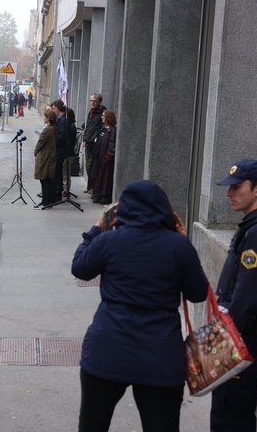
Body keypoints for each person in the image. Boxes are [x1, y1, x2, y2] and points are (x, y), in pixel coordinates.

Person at [72, 180, 208, 432]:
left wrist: (97, 227)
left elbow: (80, 267)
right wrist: (186, 244)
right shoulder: (178, 246)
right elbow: (198, 293)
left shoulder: (108, 241)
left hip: (107, 351)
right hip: (160, 357)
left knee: (92, 425)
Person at [210, 159, 257, 432]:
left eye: (236, 187)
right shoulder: (254, 228)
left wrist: (218, 345)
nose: (229, 193)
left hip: (238, 343)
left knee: (230, 420)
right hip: (235, 339)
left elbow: (246, 299)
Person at [90, 110, 117, 204]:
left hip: (105, 158)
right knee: (98, 176)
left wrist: (108, 156)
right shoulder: (103, 128)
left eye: (103, 116)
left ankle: (105, 196)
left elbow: (112, 144)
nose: (102, 117)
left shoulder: (112, 130)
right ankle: (97, 193)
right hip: (99, 157)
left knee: (105, 178)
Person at [82, 93, 106, 194]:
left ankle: (93, 188)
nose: (92, 103)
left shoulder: (102, 113)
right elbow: (88, 126)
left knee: (93, 166)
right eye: (91, 101)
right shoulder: (91, 112)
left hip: (95, 143)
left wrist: (93, 139)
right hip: (88, 142)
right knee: (88, 165)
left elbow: (99, 129)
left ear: (99, 102)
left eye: (94, 101)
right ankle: (89, 186)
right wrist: (85, 139)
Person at [33, 108, 57, 208]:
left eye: (45, 116)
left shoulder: (48, 129)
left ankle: (45, 201)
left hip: (45, 157)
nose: (44, 118)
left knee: (44, 180)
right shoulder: (53, 128)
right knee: (47, 180)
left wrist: (35, 151)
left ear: (48, 118)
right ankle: (48, 200)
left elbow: (40, 143)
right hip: (50, 155)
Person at [51, 99, 68, 201]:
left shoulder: (63, 120)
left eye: (54, 108)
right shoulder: (60, 119)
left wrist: (52, 140)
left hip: (60, 151)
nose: (53, 110)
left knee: (57, 173)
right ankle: (57, 192)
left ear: (58, 109)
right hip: (58, 150)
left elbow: (62, 137)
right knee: (57, 173)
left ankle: (57, 194)